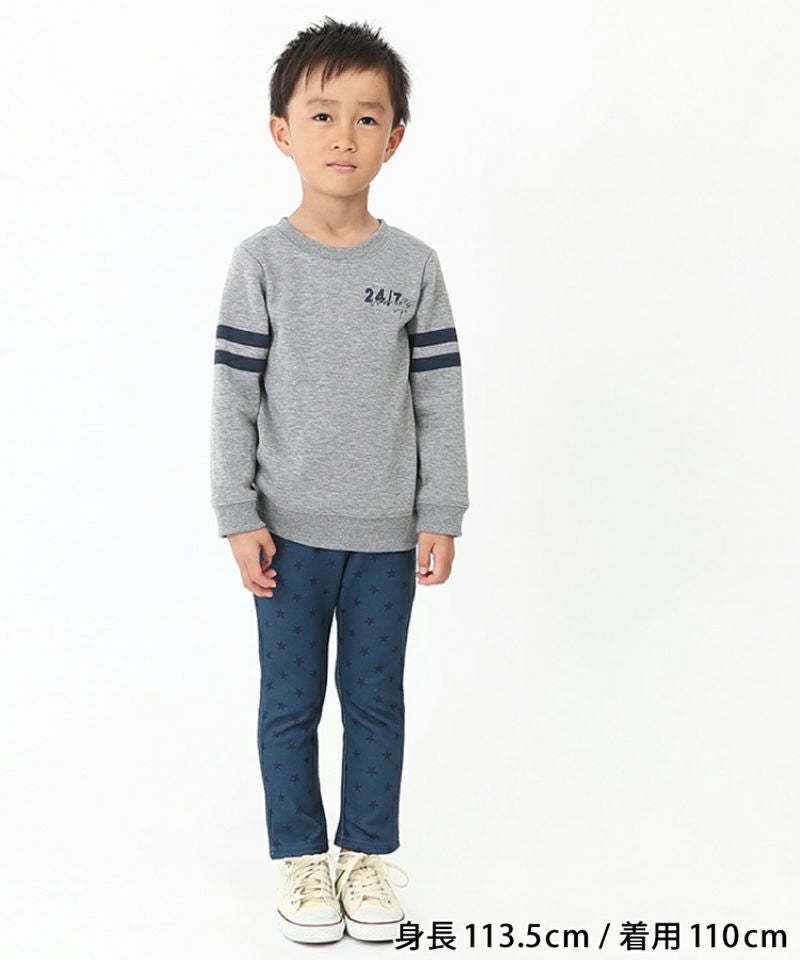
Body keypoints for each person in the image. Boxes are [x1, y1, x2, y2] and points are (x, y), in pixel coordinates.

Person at [209, 16, 469, 945]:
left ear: (394, 138)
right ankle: (300, 859)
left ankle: (363, 853)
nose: (344, 136)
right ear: (282, 131)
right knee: (289, 705)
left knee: (374, 702)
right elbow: (234, 396)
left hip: (388, 539)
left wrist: (442, 510)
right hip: (286, 534)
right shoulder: (261, 262)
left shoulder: (415, 267)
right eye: (323, 115)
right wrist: (236, 512)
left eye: (368, 117)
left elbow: (439, 399)